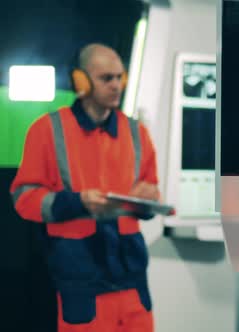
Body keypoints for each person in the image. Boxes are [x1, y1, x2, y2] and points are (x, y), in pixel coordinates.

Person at [10, 44, 159, 331]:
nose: (116, 85)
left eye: (120, 77)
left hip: (131, 278)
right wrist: (78, 203)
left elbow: (150, 192)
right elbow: (24, 197)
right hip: (81, 280)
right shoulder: (47, 130)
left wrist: (149, 198)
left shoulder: (136, 132)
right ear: (81, 81)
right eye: (106, 78)